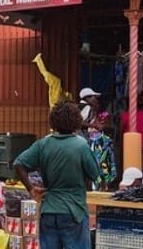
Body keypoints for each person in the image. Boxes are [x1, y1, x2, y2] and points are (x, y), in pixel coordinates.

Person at [13, 101, 100, 249]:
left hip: (48, 211)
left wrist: (31, 189)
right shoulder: (81, 145)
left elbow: (18, 164)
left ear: (53, 122)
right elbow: (94, 174)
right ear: (76, 122)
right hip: (74, 211)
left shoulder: (43, 144)